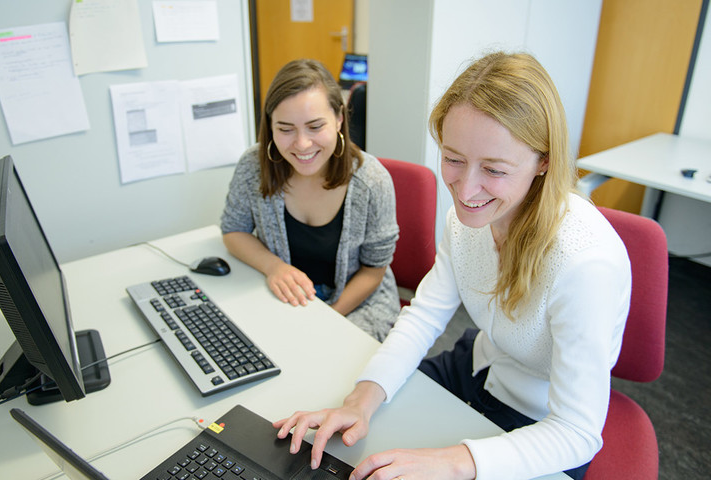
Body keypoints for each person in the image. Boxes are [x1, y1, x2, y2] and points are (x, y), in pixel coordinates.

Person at [272, 51, 632, 480]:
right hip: (476, 368)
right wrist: (359, 402)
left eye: (494, 169)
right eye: (453, 158)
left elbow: (577, 431)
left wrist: (455, 461)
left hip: (542, 421)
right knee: (350, 452)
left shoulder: (586, 263)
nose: (465, 189)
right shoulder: (468, 222)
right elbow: (423, 315)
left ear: (544, 162)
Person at [221, 59, 400, 342]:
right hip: (283, 296)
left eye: (315, 127)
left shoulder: (372, 181)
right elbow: (234, 230)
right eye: (286, 129)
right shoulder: (253, 167)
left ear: (339, 118)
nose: (302, 144)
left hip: (357, 304)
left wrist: (326, 318)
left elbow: (373, 271)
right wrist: (274, 267)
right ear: (270, 125)